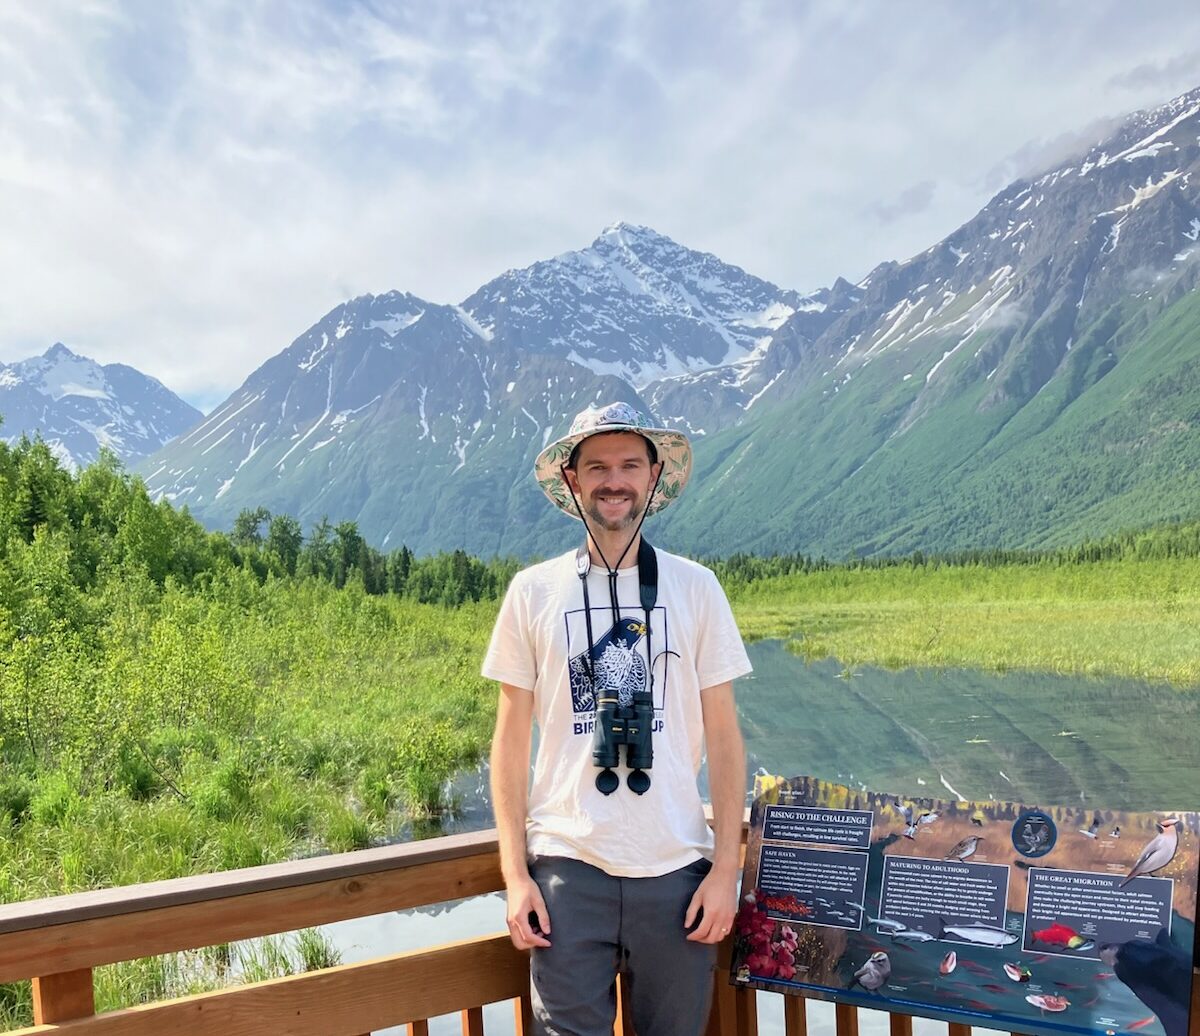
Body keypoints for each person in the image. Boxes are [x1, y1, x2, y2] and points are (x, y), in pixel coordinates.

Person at [483, 401, 752, 1036]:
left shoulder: (697, 588)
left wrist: (725, 871)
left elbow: (726, 739)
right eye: (597, 465)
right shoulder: (533, 591)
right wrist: (515, 875)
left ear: (654, 475)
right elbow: (509, 742)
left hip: (678, 876)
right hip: (568, 874)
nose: (614, 479)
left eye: (631, 464)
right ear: (572, 480)